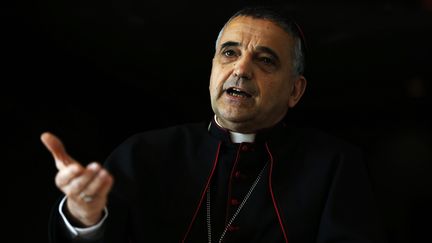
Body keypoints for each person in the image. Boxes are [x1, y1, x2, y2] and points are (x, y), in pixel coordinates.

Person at [42, 6, 387, 243]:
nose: (241, 69)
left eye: (265, 60)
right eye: (229, 53)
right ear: (212, 69)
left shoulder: (334, 164)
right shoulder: (144, 152)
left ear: (294, 90)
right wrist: (84, 215)